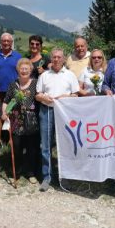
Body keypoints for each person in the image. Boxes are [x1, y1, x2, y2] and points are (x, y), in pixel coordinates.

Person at [35, 48, 80, 192]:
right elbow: (37, 94)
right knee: (45, 145)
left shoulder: (70, 75)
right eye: (54, 57)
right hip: (46, 110)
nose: (56, 59)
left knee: (65, 145)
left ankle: (64, 177)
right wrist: (43, 97)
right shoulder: (44, 75)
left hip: (64, 113)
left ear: (64, 59)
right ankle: (46, 177)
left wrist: (64, 98)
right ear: (51, 59)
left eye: (59, 57)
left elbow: (76, 95)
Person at [1, 58, 40, 184]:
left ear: (30, 70)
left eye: (26, 69)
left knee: (31, 148)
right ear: (18, 70)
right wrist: (4, 113)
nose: (24, 71)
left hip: (31, 120)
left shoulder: (36, 83)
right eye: (21, 69)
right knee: (16, 148)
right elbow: (6, 100)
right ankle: (16, 172)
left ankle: (31, 173)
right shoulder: (13, 84)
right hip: (16, 121)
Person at [0, 33, 22, 148]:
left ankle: (10, 141)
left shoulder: (18, 56)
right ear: (1, 42)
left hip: (13, 91)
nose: (6, 43)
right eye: (4, 41)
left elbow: (22, 73)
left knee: (12, 116)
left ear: (12, 43)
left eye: (8, 41)